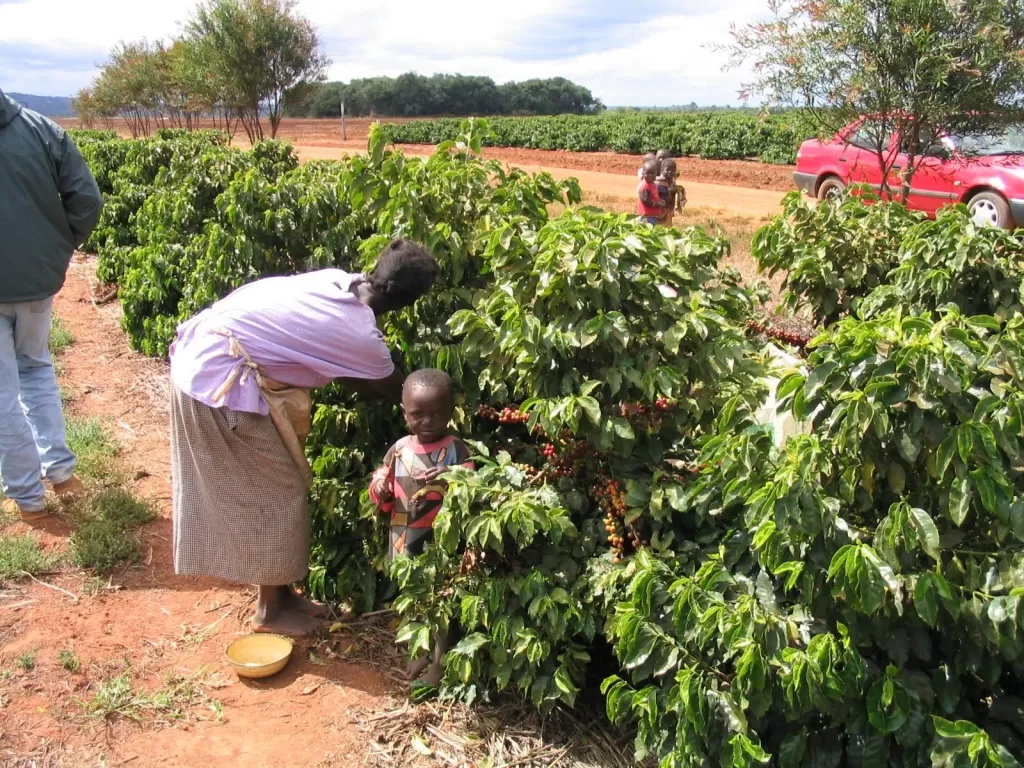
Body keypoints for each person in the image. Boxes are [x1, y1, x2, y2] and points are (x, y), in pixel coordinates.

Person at [168, 239, 439, 637]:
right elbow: (400, 395)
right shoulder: (361, 336)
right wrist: (440, 418)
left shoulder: (337, 282)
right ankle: (269, 611)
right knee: (279, 492)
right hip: (215, 379)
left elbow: (343, 369)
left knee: (279, 486)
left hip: (205, 354)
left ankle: (281, 594)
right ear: (405, 301)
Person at [0, 90, 103, 522]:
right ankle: (61, 473)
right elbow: (87, 200)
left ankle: (28, 496)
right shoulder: (42, 129)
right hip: (36, 280)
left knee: (3, 393)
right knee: (35, 368)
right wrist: (58, 245)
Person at [368, 368, 472, 684]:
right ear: (405, 412)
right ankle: (422, 648)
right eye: (418, 415)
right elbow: (381, 479)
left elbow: (472, 484)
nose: (427, 421)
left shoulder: (456, 450)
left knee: (442, 599)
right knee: (413, 595)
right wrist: (380, 487)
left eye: (437, 414)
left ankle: (439, 663)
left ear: (451, 412)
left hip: (440, 541)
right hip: (403, 537)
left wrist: (451, 475)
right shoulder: (400, 448)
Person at [656, 158, 686, 227]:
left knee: (667, 227)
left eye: (673, 170)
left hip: (669, 209)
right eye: (667, 170)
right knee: (658, 226)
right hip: (659, 210)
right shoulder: (658, 183)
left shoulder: (672, 181)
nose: (670, 172)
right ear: (661, 170)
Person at [637, 158, 667, 225]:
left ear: (656, 174)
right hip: (646, 217)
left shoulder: (653, 184)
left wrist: (660, 201)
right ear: (643, 173)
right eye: (647, 173)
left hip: (652, 215)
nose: (650, 176)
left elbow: (654, 196)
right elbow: (645, 200)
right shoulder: (644, 187)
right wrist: (657, 204)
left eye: (652, 173)